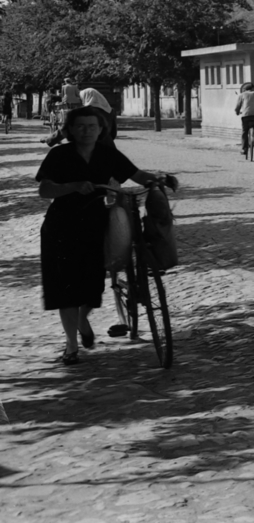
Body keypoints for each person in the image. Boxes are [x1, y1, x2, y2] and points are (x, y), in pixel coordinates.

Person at [35, 106, 166, 365]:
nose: (86, 131)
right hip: (61, 227)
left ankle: (84, 319)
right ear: (70, 129)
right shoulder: (59, 155)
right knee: (65, 288)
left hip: (96, 225)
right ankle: (71, 345)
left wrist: (157, 180)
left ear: (101, 129)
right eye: (80, 126)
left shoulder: (108, 154)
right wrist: (72, 186)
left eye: (92, 126)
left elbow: (136, 174)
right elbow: (44, 189)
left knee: (93, 286)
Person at [234, 81, 254, 157]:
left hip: (245, 115)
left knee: (244, 132)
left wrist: (237, 112)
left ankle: (244, 149)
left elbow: (238, 106)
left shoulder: (242, 95)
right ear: (252, 88)